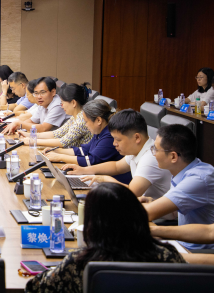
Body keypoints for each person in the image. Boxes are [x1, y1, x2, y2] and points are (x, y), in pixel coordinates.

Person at [25, 183, 185, 293]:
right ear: (138, 214)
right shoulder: (167, 257)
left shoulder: (79, 263)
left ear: (92, 223)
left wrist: (53, 270)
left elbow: (34, 288)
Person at [61, 109, 172, 203]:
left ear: (137, 138)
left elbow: (132, 192)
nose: (114, 143)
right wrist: (84, 170)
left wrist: (105, 179)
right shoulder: (138, 149)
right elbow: (117, 166)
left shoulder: (150, 158)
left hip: (158, 216)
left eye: (118, 140)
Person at [142, 124, 214, 250]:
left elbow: (146, 214)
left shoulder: (197, 179)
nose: (153, 154)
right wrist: (152, 202)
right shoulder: (182, 171)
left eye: (155, 149)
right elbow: (174, 211)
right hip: (185, 242)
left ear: (173, 156)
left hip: (200, 250)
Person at [44, 100, 129, 182]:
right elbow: (84, 150)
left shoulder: (109, 136)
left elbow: (91, 161)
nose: (85, 125)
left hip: (114, 182)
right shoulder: (99, 131)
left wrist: (60, 157)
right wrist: (57, 151)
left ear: (98, 120)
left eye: (86, 121)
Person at [18, 83, 92, 148]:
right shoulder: (75, 117)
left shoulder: (81, 120)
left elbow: (62, 142)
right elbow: (57, 133)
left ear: (73, 103)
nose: (61, 106)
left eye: (62, 103)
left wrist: (33, 141)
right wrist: (29, 135)